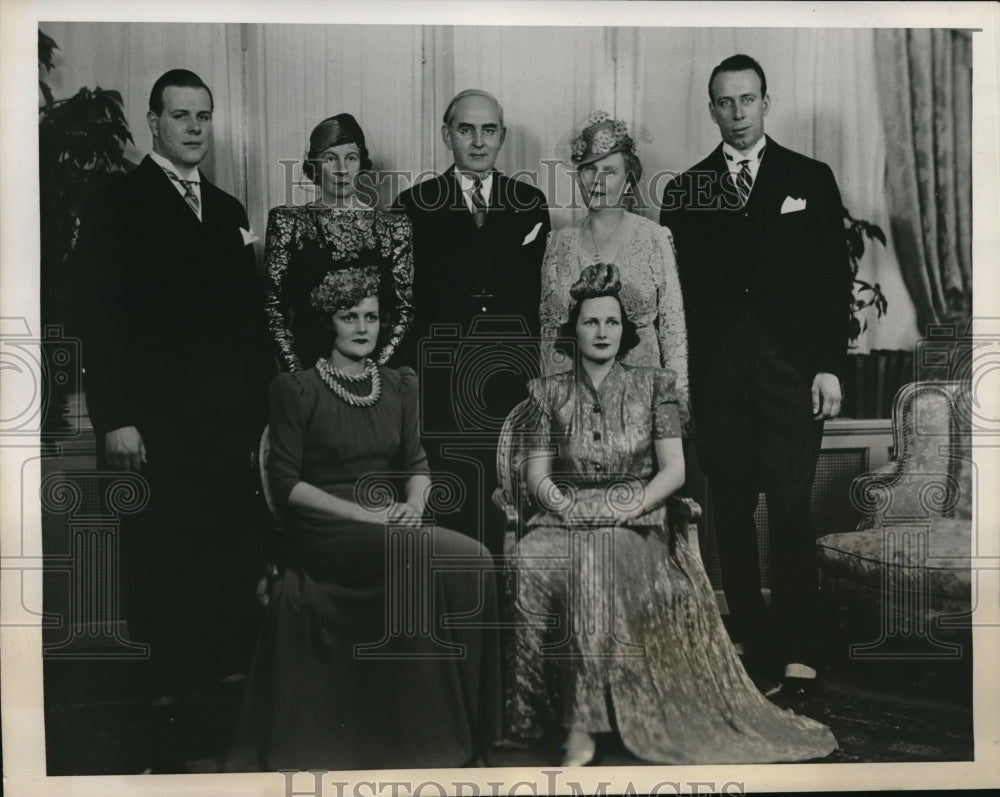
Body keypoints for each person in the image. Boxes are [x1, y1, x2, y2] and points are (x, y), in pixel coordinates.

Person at [506, 264, 837, 766]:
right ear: (573, 329)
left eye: (612, 323)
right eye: (591, 322)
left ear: (626, 331)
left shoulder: (655, 387)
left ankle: (583, 725)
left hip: (637, 524)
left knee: (594, 566)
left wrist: (623, 509)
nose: (601, 332)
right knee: (528, 561)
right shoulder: (545, 392)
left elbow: (674, 472)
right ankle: (527, 718)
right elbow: (536, 476)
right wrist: (568, 507)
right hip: (564, 517)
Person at [226, 265, 500, 771]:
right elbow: (286, 486)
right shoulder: (295, 389)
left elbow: (416, 465)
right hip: (326, 527)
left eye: (371, 316)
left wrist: (414, 506)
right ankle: (426, 741)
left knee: (477, 560)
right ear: (327, 323)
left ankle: (476, 727)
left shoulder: (400, 384)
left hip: (388, 522)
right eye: (348, 316)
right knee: (419, 556)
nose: (362, 327)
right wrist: (366, 516)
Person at [73, 69, 274, 759]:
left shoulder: (224, 208)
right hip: (152, 423)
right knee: (159, 553)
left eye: (203, 116)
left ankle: (214, 706)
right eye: (180, 115)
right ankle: (162, 703)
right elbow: (98, 319)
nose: (194, 127)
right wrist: (114, 416)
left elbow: (248, 330)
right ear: (154, 123)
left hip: (222, 426)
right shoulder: (116, 202)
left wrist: (256, 425)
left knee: (220, 548)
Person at [660, 54, 852, 696]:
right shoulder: (685, 191)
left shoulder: (810, 177)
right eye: (725, 103)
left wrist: (827, 365)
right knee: (732, 509)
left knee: (793, 507)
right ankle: (747, 640)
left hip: (792, 371)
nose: (738, 114)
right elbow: (674, 299)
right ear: (711, 108)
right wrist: (682, 380)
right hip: (718, 377)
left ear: (766, 102)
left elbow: (834, 280)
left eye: (748, 100)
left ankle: (800, 648)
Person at [393, 89, 551, 555]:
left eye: (488, 130)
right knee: (449, 489)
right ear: (447, 135)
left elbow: (541, 300)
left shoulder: (529, 201)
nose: (478, 142)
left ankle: (508, 613)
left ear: (501, 136)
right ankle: (460, 611)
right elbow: (402, 302)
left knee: (509, 491)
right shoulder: (413, 204)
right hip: (441, 376)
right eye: (466, 130)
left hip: (511, 376)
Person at [539, 112, 689, 419]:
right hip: (574, 405)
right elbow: (548, 334)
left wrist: (677, 402)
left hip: (642, 402)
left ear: (628, 177)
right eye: (589, 170)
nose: (597, 181)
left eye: (610, 170)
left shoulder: (654, 237)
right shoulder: (557, 242)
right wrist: (550, 404)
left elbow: (674, 331)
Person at [265, 113, 414, 371]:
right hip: (309, 374)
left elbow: (404, 311)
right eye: (330, 159)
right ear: (314, 166)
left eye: (351, 158)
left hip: (374, 377)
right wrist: (300, 378)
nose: (342, 169)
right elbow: (273, 310)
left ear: (361, 164)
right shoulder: (289, 223)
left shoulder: (393, 226)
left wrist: (371, 374)